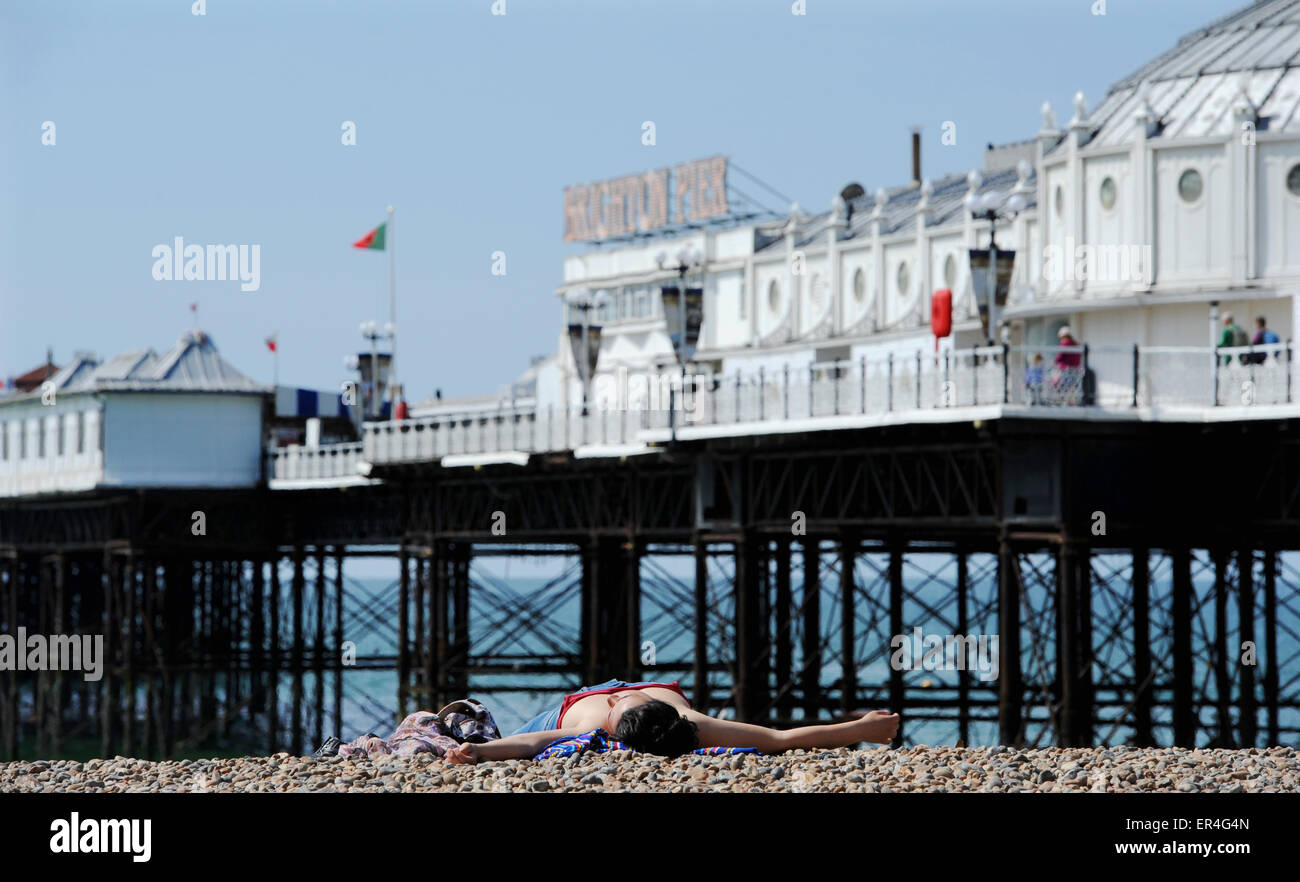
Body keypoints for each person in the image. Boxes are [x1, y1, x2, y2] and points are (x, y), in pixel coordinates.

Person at [444, 678, 900, 763]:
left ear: (611, 729)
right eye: (621, 699)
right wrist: (860, 729)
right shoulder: (686, 717)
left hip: (555, 712)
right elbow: (779, 738)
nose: (619, 694)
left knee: (497, 729)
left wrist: (479, 751)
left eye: (617, 704)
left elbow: (530, 744)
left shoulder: (588, 728)